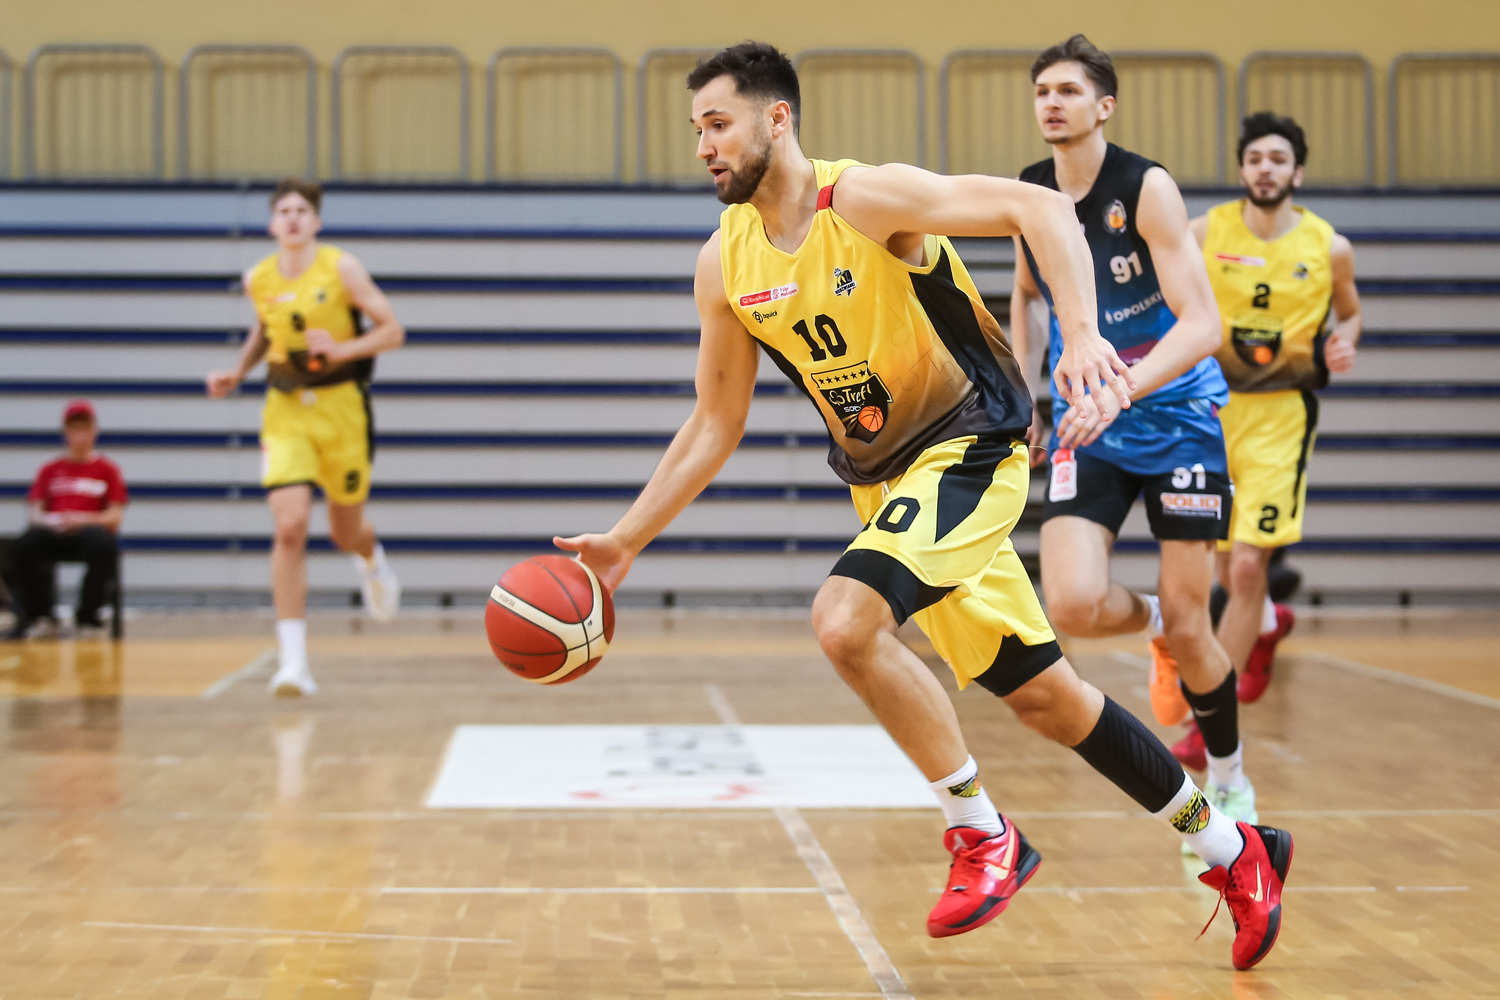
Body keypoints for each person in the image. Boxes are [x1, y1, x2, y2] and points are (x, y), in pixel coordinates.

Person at [555, 41, 1292, 970]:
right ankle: (1235, 849)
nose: (703, 145)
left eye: (718, 124)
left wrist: (1080, 338)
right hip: (887, 488)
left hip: (970, 447)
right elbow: (716, 419)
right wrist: (627, 541)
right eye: (696, 129)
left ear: (776, 118)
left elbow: (1038, 207)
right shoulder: (725, 262)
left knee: (843, 620)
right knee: (1049, 701)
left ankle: (983, 833)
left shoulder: (865, 199)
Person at [1008, 36, 1261, 835]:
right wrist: (1024, 391)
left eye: (1069, 90)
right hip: (1092, 421)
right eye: (1043, 91)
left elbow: (1204, 324)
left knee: (1196, 625)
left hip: (1176, 417)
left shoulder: (1145, 187)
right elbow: (1028, 296)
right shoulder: (1031, 192)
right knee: (1072, 604)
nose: (1052, 102)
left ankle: (1230, 781)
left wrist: (1120, 388)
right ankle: (1153, 624)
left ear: (1104, 106)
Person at [1188, 112, 1361, 712]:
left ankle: (1215, 715)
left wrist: (1345, 342)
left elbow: (1350, 313)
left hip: (1283, 415)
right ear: (1242, 170)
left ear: (1297, 173)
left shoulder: (1329, 246)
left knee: (1247, 565)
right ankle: (1263, 623)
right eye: (1256, 159)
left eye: (1278, 160)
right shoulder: (1203, 231)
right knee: (1222, 566)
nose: (1266, 169)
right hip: (1211, 409)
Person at [206, 178, 404, 697]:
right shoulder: (258, 278)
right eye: (284, 211)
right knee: (290, 525)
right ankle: (293, 663)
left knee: (345, 532)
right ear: (272, 224)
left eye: (301, 210)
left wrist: (342, 349)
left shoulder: (342, 268)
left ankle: (371, 559)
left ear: (316, 222)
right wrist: (237, 372)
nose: (293, 218)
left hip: (342, 412)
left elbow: (392, 331)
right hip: (286, 411)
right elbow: (265, 330)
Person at [6, 401, 127, 640]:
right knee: (21, 546)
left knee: (104, 547)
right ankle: (41, 616)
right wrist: (53, 520)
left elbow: (115, 515)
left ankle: (88, 618)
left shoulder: (107, 469)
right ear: (65, 433)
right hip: (55, 531)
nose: (79, 435)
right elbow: (34, 512)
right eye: (74, 429)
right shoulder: (50, 469)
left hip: (89, 532)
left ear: (94, 431)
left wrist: (84, 520)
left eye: (85, 429)